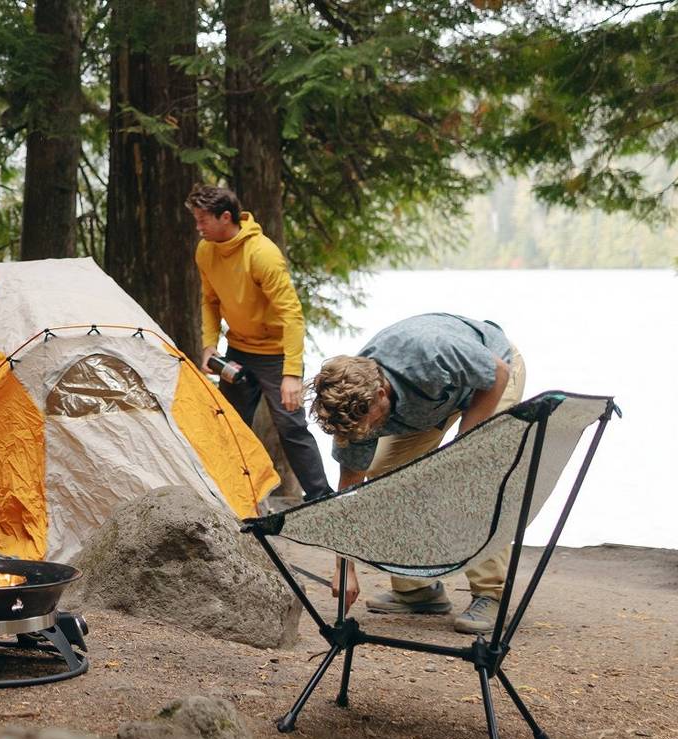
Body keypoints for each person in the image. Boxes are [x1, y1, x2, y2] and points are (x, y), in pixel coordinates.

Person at [309, 312, 528, 634]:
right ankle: (417, 589)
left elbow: (497, 372)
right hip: (433, 401)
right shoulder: (353, 411)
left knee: (473, 474)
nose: (364, 433)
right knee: (388, 475)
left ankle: (491, 594)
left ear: (380, 395)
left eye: (368, 424)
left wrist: (463, 446)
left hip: (493, 371)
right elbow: (349, 493)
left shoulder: (430, 353)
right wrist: (344, 568)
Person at [186, 184, 332, 504]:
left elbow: (292, 315)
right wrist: (209, 345)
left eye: (203, 220)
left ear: (226, 217)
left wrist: (291, 374)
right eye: (196, 220)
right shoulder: (205, 251)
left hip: (276, 354)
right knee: (230, 425)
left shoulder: (262, 254)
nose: (198, 227)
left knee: (291, 426)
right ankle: (233, 497)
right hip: (239, 350)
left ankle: (322, 497)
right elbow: (210, 301)